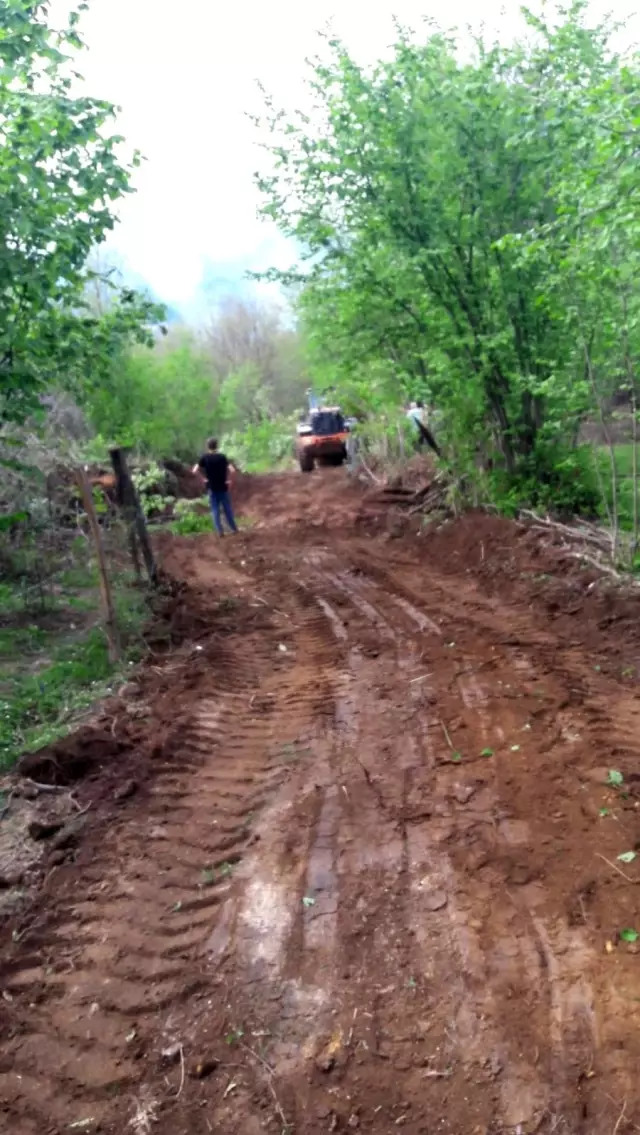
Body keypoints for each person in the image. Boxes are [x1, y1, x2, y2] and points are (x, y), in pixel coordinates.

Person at [192, 438, 238, 536]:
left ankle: (220, 531)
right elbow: (233, 470)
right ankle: (234, 529)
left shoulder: (205, 457)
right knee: (227, 508)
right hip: (223, 486)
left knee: (215, 509)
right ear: (217, 446)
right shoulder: (222, 457)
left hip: (211, 487)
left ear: (207, 446)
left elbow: (194, 470)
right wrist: (229, 481)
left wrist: (203, 479)